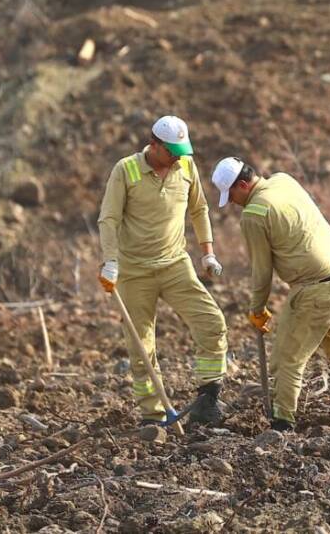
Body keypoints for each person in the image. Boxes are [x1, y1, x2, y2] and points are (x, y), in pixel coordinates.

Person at [211, 157, 330, 431]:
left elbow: (262, 271)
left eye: (232, 196)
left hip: (315, 287)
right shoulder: (283, 180)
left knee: (287, 357)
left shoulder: (254, 213)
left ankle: (282, 423)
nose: (231, 203)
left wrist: (256, 308)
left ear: (242, 184)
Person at [97, 115, 228, 426]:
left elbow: (199, 209)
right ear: (153, 145)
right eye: (171, 151)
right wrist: (110, 260)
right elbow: (109, 218)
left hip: (174, 263)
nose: (177, 157)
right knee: (141, 345)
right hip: (134, 271)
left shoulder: (186, 166)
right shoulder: (125, 170)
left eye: (181, 151)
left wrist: (207, 253)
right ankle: (153, 415)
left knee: (212, 322)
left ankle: (207, 399)